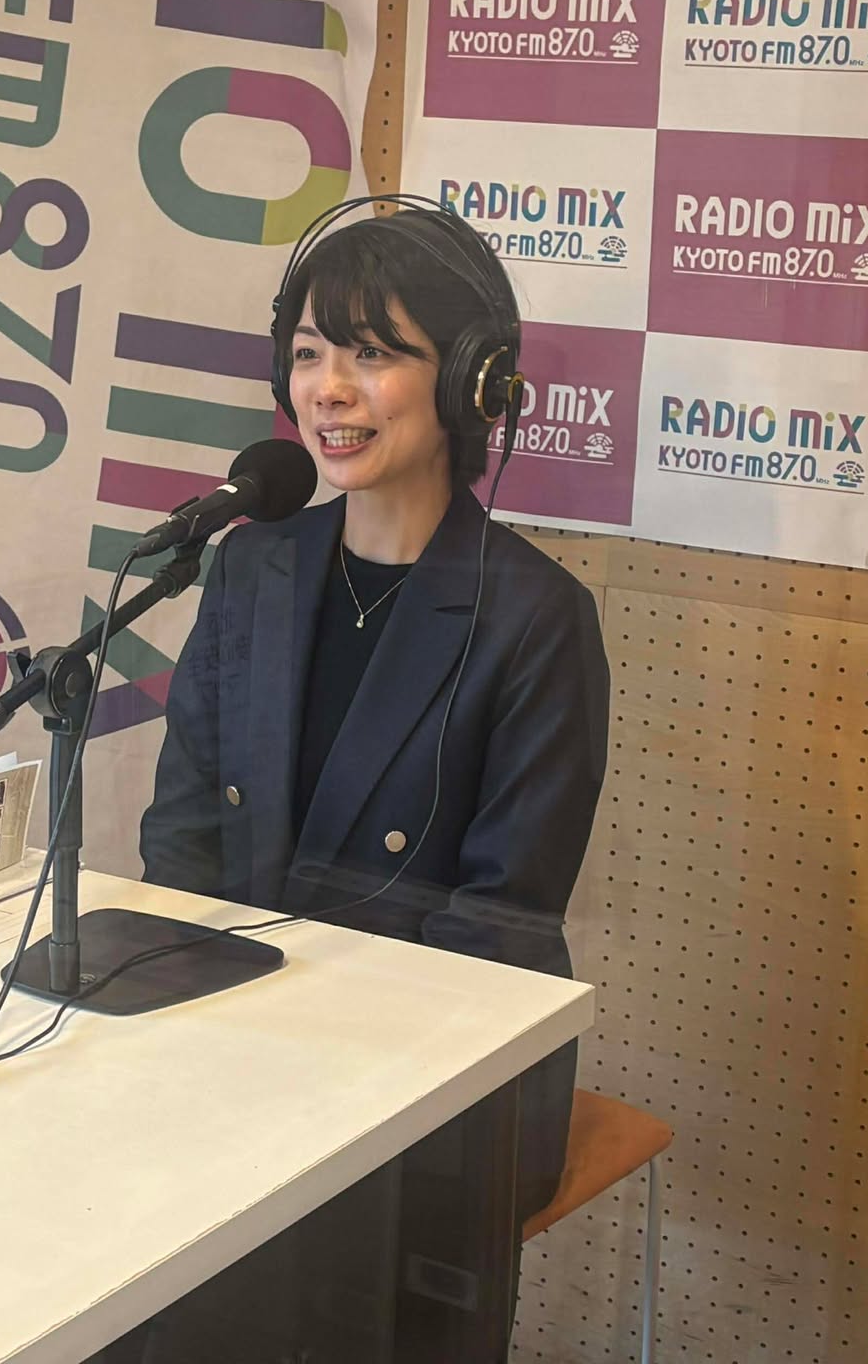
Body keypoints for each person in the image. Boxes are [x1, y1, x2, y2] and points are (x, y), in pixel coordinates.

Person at [129, 199, 611, 1357]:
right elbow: (180, 841)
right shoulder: (250, 566)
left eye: (372, 354)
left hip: (436, 1084)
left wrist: (291, 1069)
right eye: (307, 355)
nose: (328, 391)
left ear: (471, 385)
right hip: (234, 1036)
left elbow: (498, 923)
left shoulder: (536, 619)